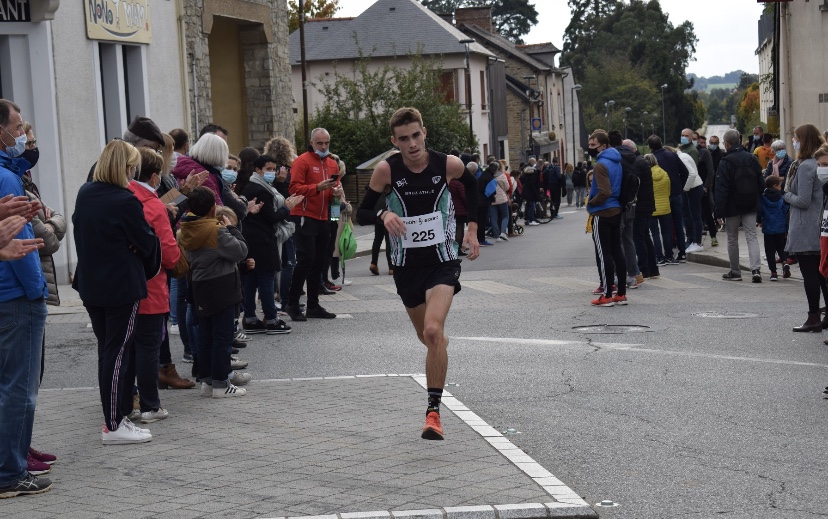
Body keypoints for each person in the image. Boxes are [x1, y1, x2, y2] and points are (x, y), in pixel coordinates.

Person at [356, 107, 480, 440]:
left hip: (443, 261)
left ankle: (433, 414)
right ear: (394, 141)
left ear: (424, 132)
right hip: (406, 266)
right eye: (403, 139)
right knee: (428, 337)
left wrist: (471, 227)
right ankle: (439, 349)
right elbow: (362, 212)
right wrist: (383, 214)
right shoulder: (387, 170)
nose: (412, 144)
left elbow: (473, 187)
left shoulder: (447, 164)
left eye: (415, 135)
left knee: (432, 331)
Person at [73, 139, 161, 444]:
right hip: (120, 285)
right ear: (126, 167)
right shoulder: (125, 200)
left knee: (108, 352)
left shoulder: (86, 192)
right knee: (117, 353)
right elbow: (147, 242)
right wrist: (139, 245)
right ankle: (113, 424)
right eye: (133, 166)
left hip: (91, 284)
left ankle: (115, 418)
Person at [0, 99, 51, 498]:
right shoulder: (6, 178)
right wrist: (37, 291)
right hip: (16, 296)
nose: (22, 134)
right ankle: (10, 473)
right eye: (18, 127)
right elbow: (21, 244)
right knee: (19, 389)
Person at [126, 148, 184, 423]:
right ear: (153, 176)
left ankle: (126, 403)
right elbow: (169, 253)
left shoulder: (123, 198)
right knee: (148, 348)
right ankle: (151, 405)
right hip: (151, 286)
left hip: (123, 287)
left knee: (126, 348)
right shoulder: (152, 205)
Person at [178, 187, 249, 397]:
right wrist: (232, 229)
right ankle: (221, 383)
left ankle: (208, 381)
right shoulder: (216, 230)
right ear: (212, 209)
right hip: (221, 286)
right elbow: (241, 251)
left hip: (199, 285)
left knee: (206, 336)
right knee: (222, 337)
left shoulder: (187, 227)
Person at [285, 128, 340, 321]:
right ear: (311, 143)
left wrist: (336, 193)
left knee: (319, 261)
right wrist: (316, 187)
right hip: (304, 215)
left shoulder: (332, 163)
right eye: (319, 143)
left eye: (326, 143)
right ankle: (292, 304)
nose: (324, 147)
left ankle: (313, 305)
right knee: (306, 259)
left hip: (323, 217)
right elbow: (293, 188)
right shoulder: (302, 161)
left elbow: (332, 191)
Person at [241, 154, 298, 334]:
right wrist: (286, 208)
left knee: (251, 280)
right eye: (268, 169)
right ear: (258, 170)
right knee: (266, 279)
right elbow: (271, 217)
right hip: (263, 239)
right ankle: (272, 319)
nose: (272, 173)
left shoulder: (251, 186)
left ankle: (250, 318)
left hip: (250, 238)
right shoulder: (262, 190)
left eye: (274, 169)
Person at [783, 124, 827, 331]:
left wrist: (784, 195)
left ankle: (813, 317)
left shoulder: (806, 166)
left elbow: (803, 200)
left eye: (796, 138)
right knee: (822, 274)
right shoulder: (815, 163)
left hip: (806, 226)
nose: (794, 142)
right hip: (817, 225)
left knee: (811, 275)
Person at [714, 129, 764, 283]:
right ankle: (756, 270)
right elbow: (760, 182)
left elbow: (721, 188)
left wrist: (719, 211)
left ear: (726, 144)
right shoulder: (751, 158)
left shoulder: (725, 162)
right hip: (750, 204)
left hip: (732, 206)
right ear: (740, 141)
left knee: (732, 238)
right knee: (752, 236)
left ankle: (735, 271)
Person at [586, 130, 627, 307]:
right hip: (616, 209)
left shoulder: (600, 165)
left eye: (593, 145)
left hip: (602, 212)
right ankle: (621, 293)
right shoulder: (617, 161)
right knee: (617, 251)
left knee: (604, 254)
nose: (590, 148)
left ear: (603, 146)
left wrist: (591, 203)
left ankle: (607, 294)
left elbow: (605, 191)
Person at [649, 135, 689, 263]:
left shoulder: (653, 159)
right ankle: (682, 252)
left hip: (661, 196)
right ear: (661, 143)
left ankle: (664, 255)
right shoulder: (672, 155)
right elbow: (685, 172)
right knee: (678, 224)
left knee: (664, 227)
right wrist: (680, 186)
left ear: (650, 147)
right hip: (676, 193)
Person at [623, 139, 658, 281]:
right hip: (646, 205)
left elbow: (633, 184)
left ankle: (644, 269)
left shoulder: (637, 163)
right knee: (644, 236)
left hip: (640, 206)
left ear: (630, 149)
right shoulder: (641, 160)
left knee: (639, 238)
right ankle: (652, 269)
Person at [758, 175, 789, 281]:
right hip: (781, 228)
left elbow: (760, 211)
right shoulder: (782, 197)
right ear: (775, 185)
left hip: (768, 228)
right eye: (779, 185)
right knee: (781, 247)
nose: (781, 187)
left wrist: (759, 221)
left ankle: (774, 273)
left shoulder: (763, 197)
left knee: (769, 251)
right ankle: (785, 262)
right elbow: (785, 211)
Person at [646, 153, 671, 271]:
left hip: (652, 208)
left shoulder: (647, 175)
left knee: (655, 233)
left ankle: (659, 257)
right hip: (665, 206)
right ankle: (669, 256)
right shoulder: (664, 173)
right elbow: (668, 190)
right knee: (666, 233)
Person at [489, 161, 510, 241]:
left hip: (492, 199)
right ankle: (503, 232)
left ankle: (496, 236)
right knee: (505, 216)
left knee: (493, 218)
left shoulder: (489, 176)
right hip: (502, 199)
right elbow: (507, 187)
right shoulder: (502, 175)